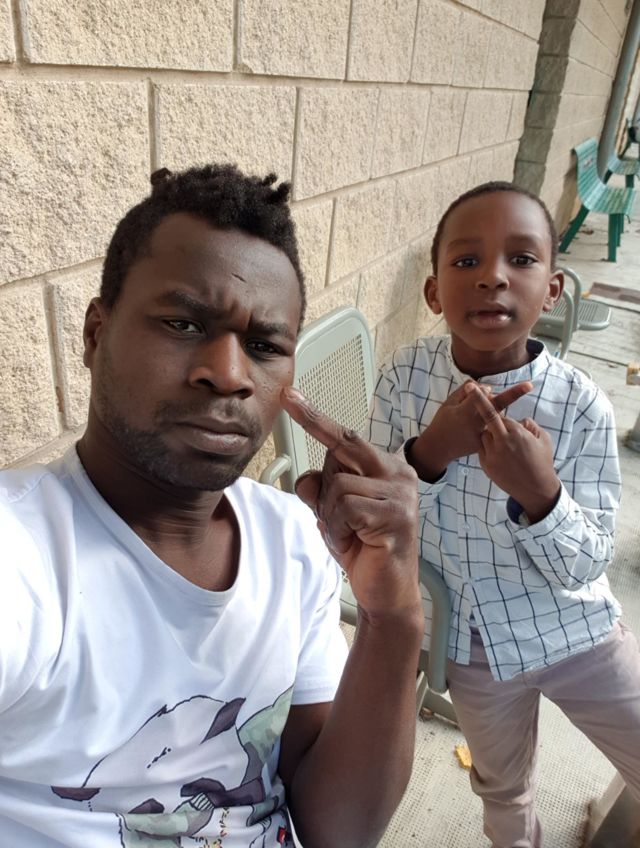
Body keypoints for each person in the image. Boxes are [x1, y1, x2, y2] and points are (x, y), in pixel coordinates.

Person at [0, 164, 425, 848]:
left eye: (263, 346)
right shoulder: (23, 556)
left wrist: (394, 617)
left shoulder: (293, 540)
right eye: (183, 323)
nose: (228, 375)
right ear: (95, 333)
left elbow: (336, 830)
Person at [366, 181, 640, 848]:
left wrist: (541, 496)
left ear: (553, 290)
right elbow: (371, 517)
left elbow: (588, 562)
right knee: (503, 788)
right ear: (434, 292)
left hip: (576, 632)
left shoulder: (581, 406)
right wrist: (430, 453)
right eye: (467, 261)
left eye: (521, 259)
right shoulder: (405, 378)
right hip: (474, 647)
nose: (492, 276)